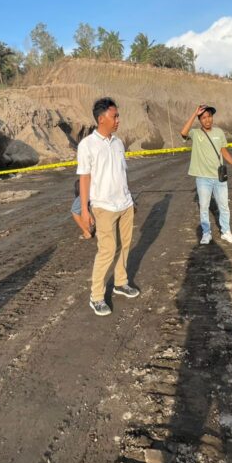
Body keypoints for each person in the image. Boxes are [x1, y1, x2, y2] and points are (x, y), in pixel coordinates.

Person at [77, 97, 140, 316]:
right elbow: (84, 178)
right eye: (115, 116)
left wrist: (131, 199)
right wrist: (85, 210)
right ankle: (96, 296)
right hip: (103, 207)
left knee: (125, 245)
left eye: (117, 116)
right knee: (107, 250)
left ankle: (121, 282)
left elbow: (122, 174)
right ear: (101, 119)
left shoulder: (118, 143)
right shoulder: (87, 145)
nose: (118, 120)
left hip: (125, 203)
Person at [180, 104, 232, 245]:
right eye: (204, 118)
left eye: (209, 116)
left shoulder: (219, 132)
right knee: (204, 207)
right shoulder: (195, 133)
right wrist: (194, 114)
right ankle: (206, 233)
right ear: (200, 120)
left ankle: (226, 232)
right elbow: (183, 133)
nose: (207, 120)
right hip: (202, 178)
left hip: (219, 177)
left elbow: (223, 151)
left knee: (224, 206)